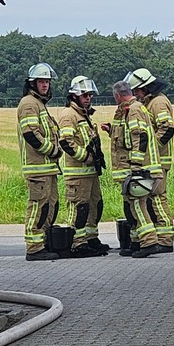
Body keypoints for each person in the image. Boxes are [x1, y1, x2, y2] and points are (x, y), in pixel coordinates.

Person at [104, 80, 162, 258]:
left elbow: (140, 137)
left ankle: (149, 241)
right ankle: (136, 242)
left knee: (138, 204)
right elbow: (129, 137)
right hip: (141, 168)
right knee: (132, 205)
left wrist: (136, 167)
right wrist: (112, 131)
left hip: (140, 169)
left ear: (117, 96)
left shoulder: (134, 110)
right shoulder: (135, 108)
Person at [57, 75, 110, 257]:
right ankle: (77, 243)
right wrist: (87, 157)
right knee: (80, 208)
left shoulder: (84, 115)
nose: (88, 98)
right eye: (85, 95)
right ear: (74, 96)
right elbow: (66, 142)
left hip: (91, 174)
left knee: (96, 205)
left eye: (90, 95)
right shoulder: (68, 115)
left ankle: (91, 238)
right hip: (78, 174)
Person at [124, 67, 174, 252]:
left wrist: (152, 148)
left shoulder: (158, 102)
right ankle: (159, 237)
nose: (136, 95)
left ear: (145, 88)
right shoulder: (151, 101)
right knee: (152, 199)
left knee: (158, 199)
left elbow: (167, 128)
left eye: (137, 91)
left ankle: (165, 240)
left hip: (159, 161)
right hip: (155, 160)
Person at [17, 62, 62, 261]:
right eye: (41, 82)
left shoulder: (40, 104)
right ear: (32, 83)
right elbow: (31, 134)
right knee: (39, 206)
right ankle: (34, 247)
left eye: (47, 82)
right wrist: (52, 150)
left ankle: (42, 242)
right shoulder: (28, 103)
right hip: (38, 168)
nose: (45, 85)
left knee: (51, 205)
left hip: (48, 168)